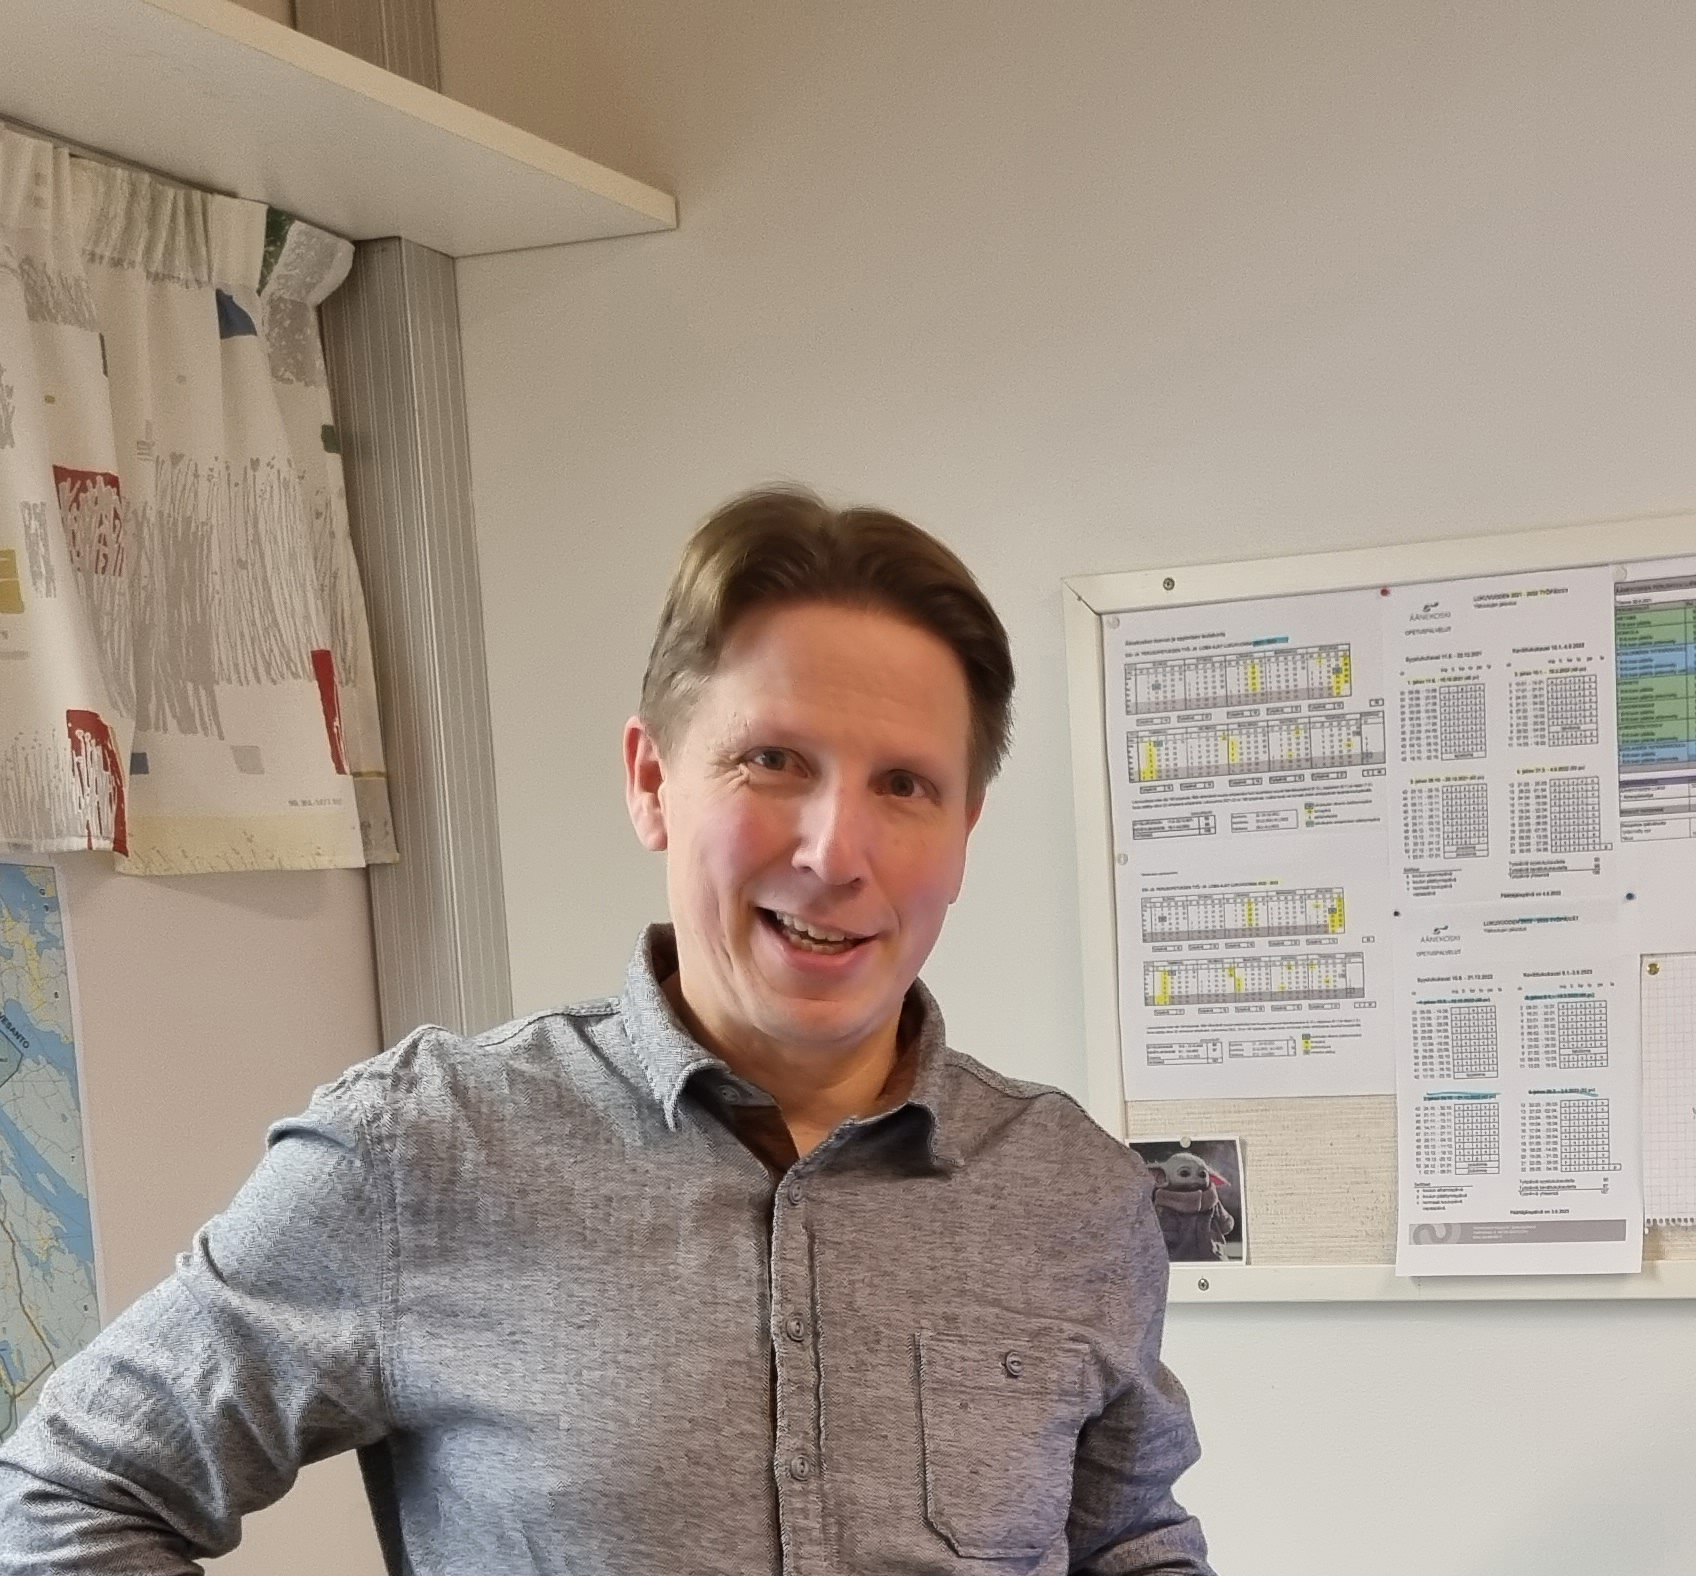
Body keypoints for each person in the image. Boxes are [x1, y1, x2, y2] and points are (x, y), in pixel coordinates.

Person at [0, 487, 1214, 1574]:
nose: (835, 851)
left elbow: (1126, 1543)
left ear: (962, 831)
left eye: (904, 784)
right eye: (773, 760)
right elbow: (67, 1498)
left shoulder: (1071, 1193)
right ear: (650, 781)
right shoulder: (422, 1150)